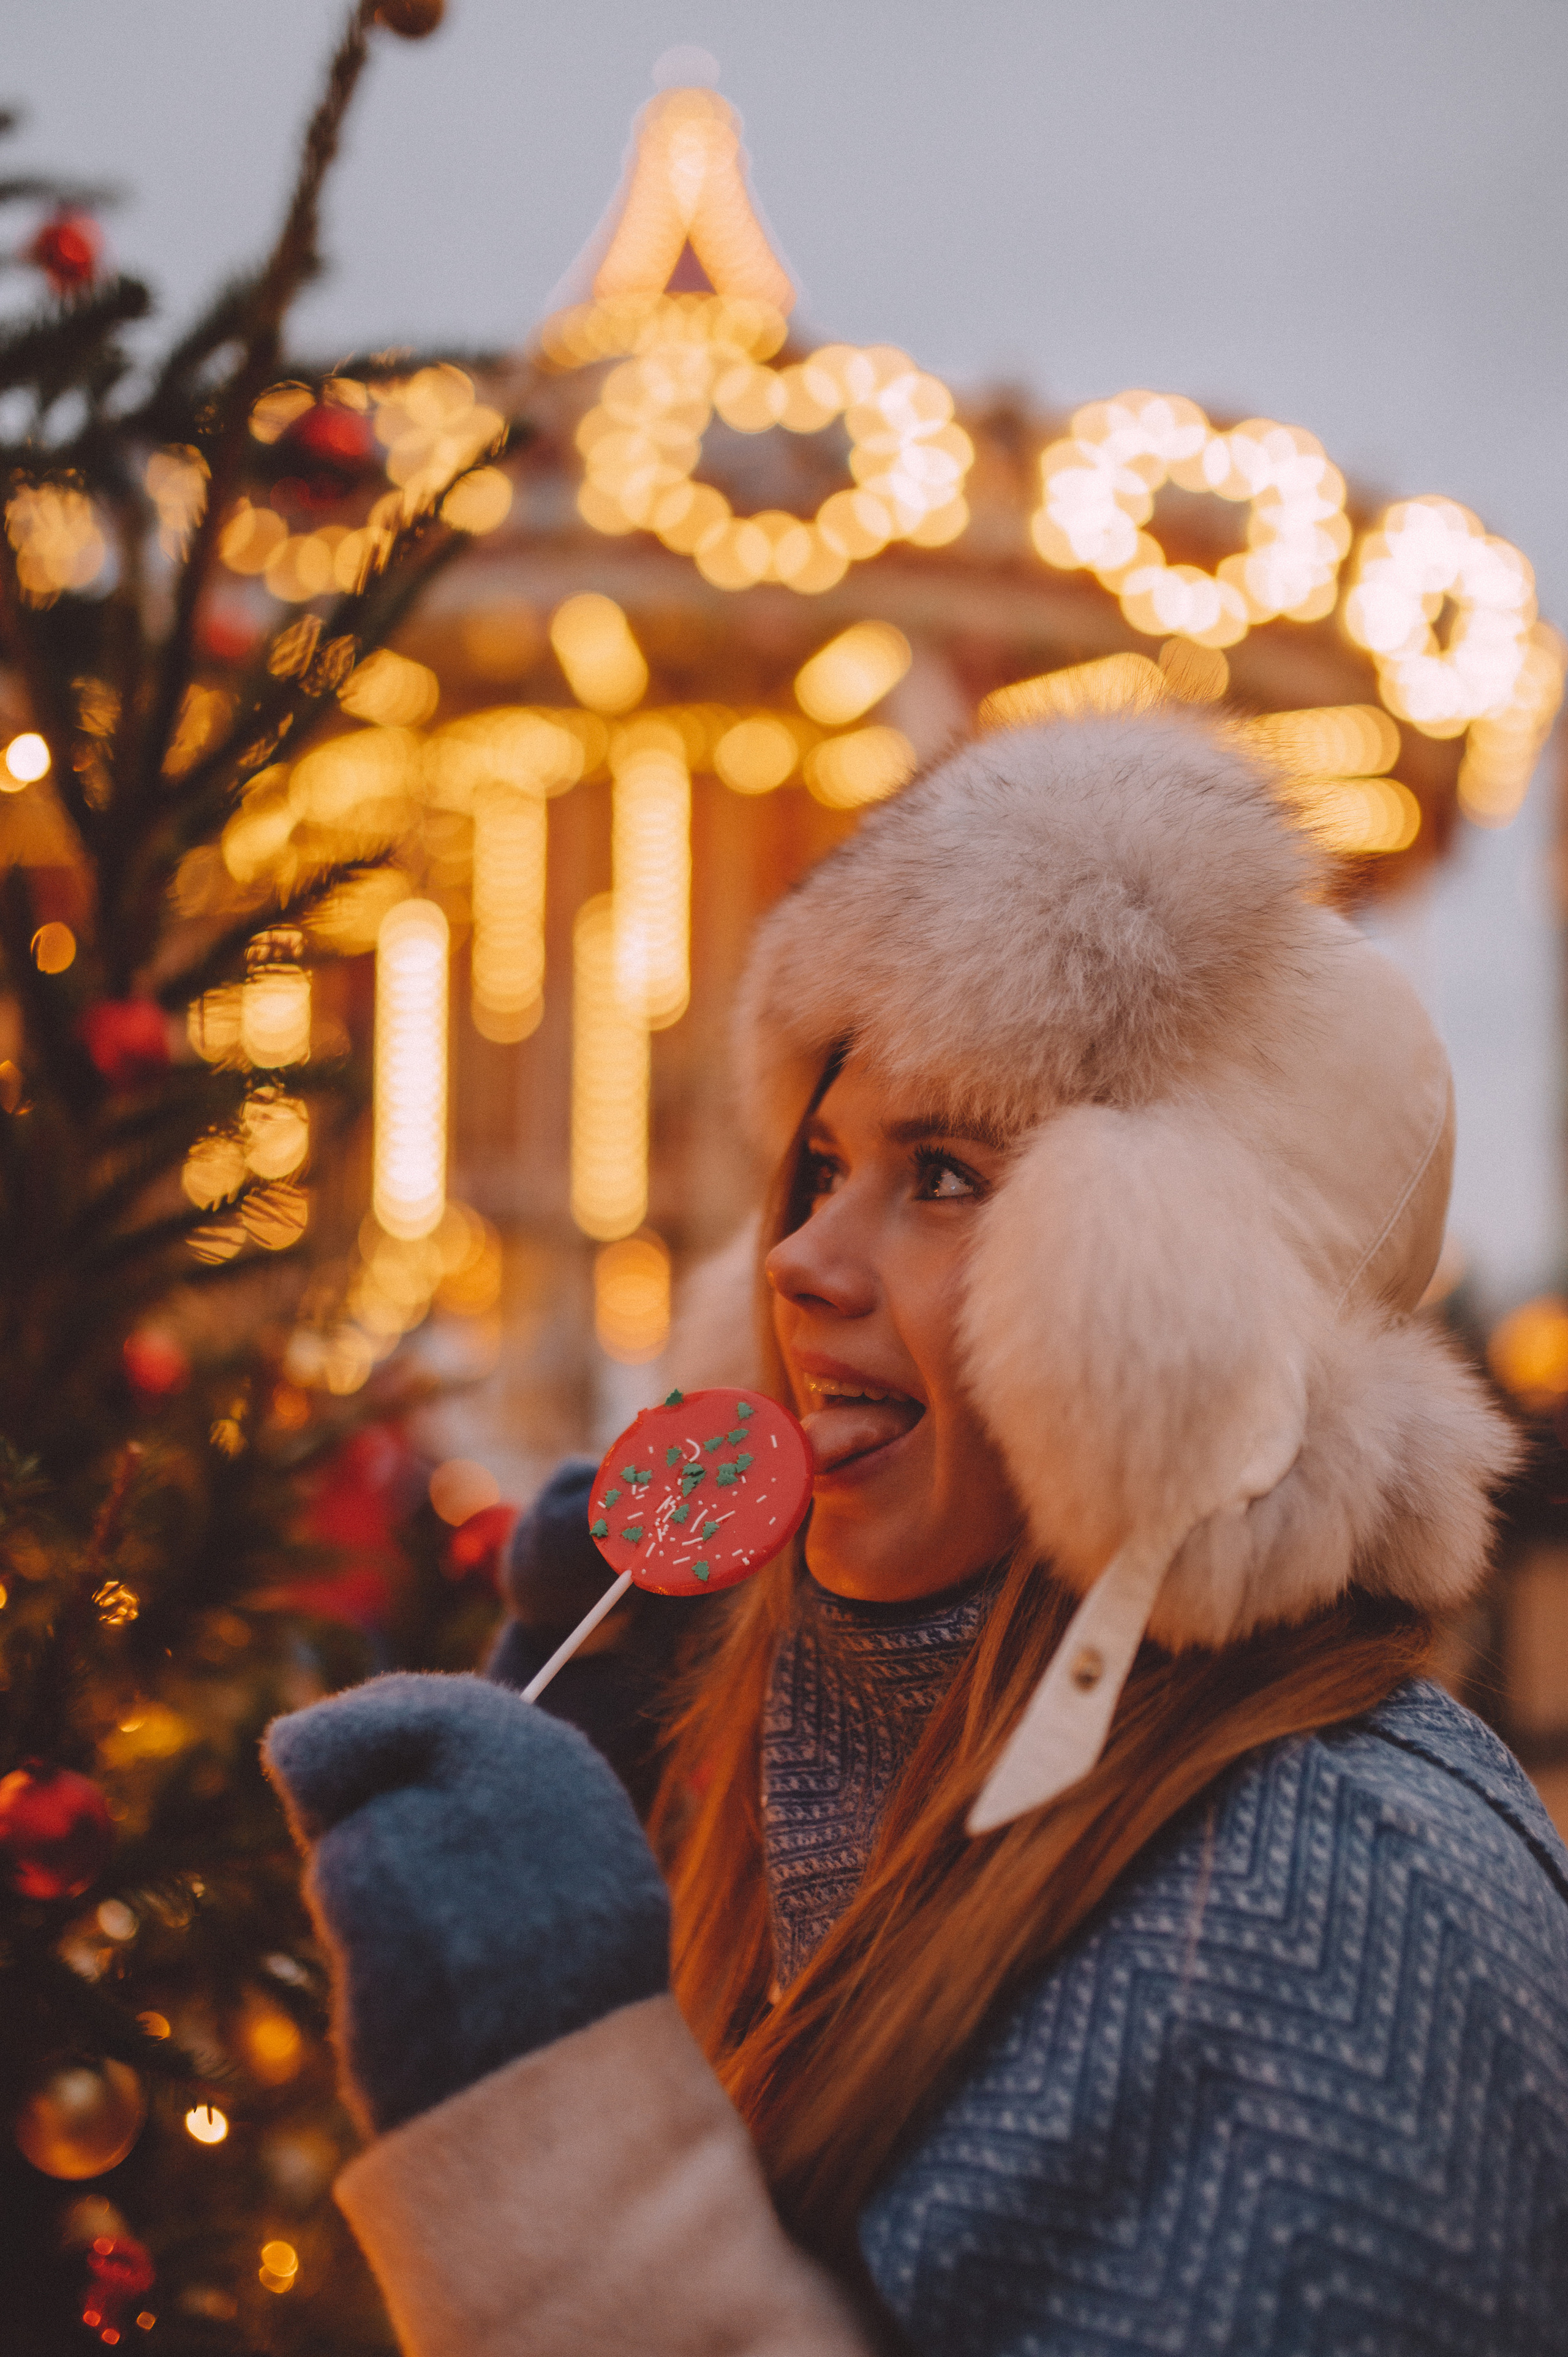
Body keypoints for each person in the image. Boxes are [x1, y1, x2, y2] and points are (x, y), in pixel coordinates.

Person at [265, 703, 1568, 2357]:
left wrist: (566, 2166)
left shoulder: (1338, 1921)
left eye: (944, 1174)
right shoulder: (807, 1751)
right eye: (821, 1168)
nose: (799, 1258)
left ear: (1171, 1321)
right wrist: (648, 1806)